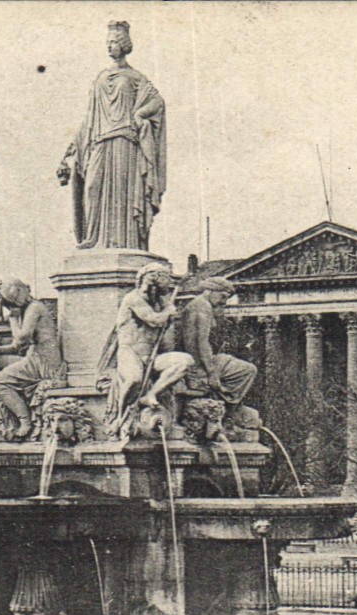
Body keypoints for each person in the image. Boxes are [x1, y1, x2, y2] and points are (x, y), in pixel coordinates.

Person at [57, 21, 166, 251]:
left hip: (125, 143)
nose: (109, 47)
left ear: (125, 45)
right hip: (99, 143)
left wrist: (139, 113)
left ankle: (124, 242)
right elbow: (89, 118)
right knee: (92, 188)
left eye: (114, 42)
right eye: (107, 43)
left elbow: (157, 101)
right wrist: (69, 152)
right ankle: (93, 239)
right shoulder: (100, 78)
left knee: (122, 196)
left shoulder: (136, 77)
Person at [0, 279, 64, 439]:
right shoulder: (28, 309)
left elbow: (22, 337)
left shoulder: (34, 308)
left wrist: (13, 319)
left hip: (44, 362)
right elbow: (17, 346)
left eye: (8, 303)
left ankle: (25, 420)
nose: (8, 308)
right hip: (34, 356)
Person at [161, 277, 258, 421]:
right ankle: (229, 406)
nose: (223, 302)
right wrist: (211, 373)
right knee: (248, 370)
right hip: (199, 362)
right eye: (223, 297)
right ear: (209, 291)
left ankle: (224, 402)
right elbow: (201, 342)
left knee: (241, 367)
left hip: (200, 359)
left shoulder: (198, 305)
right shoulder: (202, 307)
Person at [102, 268, 181, 435]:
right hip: (130, 353)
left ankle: (151, 394)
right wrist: (169, 312)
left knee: (184, 362)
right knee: (134, 379)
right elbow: (153, 320)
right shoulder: (133, 298)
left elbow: (167, 340)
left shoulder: (160, 302)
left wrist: (169, 313)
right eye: (166, 281)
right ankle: (120, 416)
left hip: (151, 356)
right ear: (153, 281)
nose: (169, 286)